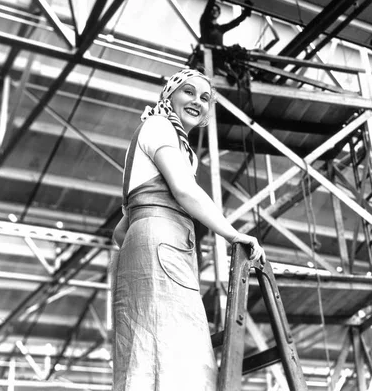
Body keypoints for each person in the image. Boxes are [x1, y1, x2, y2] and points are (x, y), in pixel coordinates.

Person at [112, 68, 265, 391]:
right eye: (189, 92)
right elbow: (184, 190)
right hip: (165, 244)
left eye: (206, 97)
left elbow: (119, 233)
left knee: (144, 350)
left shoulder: (158, 135)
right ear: (169, 95)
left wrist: (147, 238)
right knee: (176, 350)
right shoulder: (161, 126)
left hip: (150, 243)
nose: (198, 101)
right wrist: (232, 234)